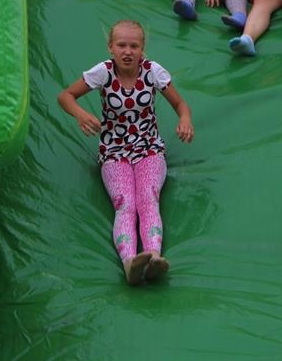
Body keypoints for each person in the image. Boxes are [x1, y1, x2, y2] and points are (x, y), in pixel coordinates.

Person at [58, 19, 194, 286]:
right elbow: (65, 96)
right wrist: (81, 114)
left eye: (134, 46)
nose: (128, 52)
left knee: (148, 198)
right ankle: (130, 262)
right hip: (114, 152)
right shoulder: (103, 72)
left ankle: (153, 257)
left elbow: (181, 104)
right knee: (125, 203)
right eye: (121, 45)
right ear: (111, 47)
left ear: (142, 49)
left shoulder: (152, 72)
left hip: (149, 150)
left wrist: (185, 119)